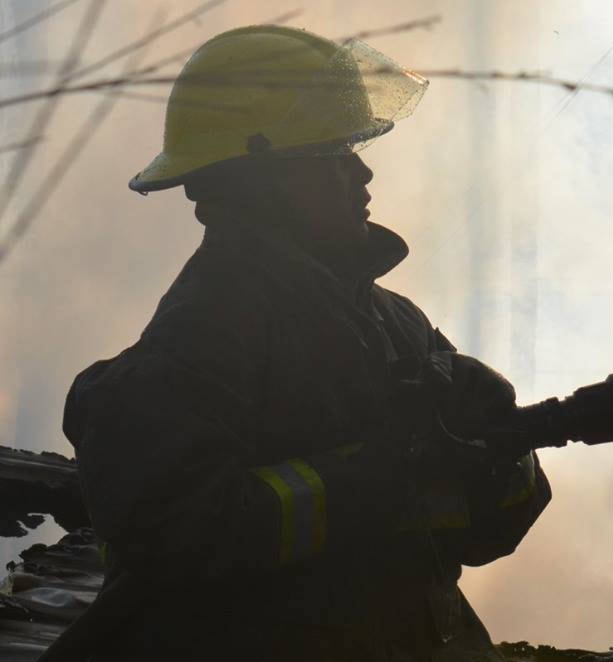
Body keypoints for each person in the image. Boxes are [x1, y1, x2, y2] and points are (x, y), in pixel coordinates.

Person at [62, 25, 550, 662]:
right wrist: (385, 469)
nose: (363, 169)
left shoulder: (395, 321)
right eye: (335, 150)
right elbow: (174, 537)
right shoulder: (206, 332)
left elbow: (488, 533)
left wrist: (501, 445)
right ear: (264, 178)